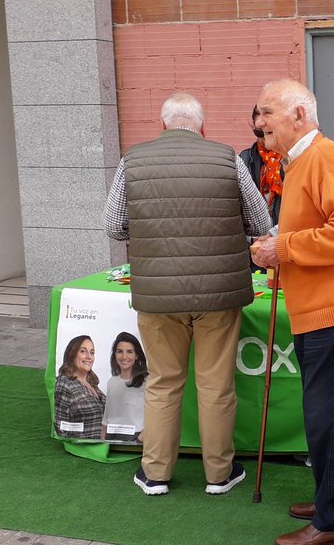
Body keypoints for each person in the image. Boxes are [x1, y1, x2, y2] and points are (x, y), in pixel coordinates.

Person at [103, 92, 272, 497]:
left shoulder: (133, 160)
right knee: (215, 385)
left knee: (163, 382)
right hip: (218, 292)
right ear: (202, 126)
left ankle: (155, 474)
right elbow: (260, 221)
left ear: (162, 125)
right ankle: (220, 474)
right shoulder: (227, 158)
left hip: (159, 295)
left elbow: (114, 225)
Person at [250, 79, 334, 545]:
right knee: (330, 412)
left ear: (299, 115)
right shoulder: (303, 159)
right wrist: (280, 252)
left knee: (323, 414)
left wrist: (281, 248)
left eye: (267, 112)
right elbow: (325, 231)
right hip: (321, 305)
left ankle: (333, 521)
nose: (259, 121)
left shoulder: (325, 157)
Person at [238, 104, 285, 226]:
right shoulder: (245, 159)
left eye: (269, 131)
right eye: (259, 132)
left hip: (288, 233)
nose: (264, 137)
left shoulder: (290, 157)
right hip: (258, 235)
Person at [53, 335, 106, 440]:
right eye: (83, 351)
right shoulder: (65, 384)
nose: (89, 357)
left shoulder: (92, 381)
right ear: (72, 354)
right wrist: (86, 441)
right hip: (86, 448)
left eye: (92, 352)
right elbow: (61, 427)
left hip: (104, 445)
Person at [101, 332, 148, 443]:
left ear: (137, 355)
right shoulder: (111, 382)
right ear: (115, 354)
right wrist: (103, 437)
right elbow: (107, 415)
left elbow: (156, 413)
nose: (124, 356)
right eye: (120, 351)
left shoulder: (147, 381)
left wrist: (142, 437)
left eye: (129, 352)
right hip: (111, 439)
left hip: (135, 439)